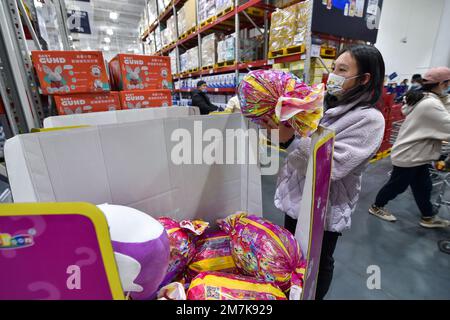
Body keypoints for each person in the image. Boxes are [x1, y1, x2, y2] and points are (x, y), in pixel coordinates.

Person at [261, 44, 386, 300]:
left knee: (317, 263)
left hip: (325, 207)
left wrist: (290, 139)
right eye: (333, 68)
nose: (334, 75)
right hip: (297, 197)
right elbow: (301, 141)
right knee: (293, 254)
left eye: (342, 69)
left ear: (364, 79)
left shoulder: (370, 120)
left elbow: (334, 165)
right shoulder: (325, 106)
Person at [369, 67, 450, 228]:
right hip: (410, 154)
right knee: (397, 186)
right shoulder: (431, 104)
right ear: (442, 83)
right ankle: (376, 207)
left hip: (418, 154)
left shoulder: (425, 98)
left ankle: (428, 216)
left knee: (423, 187)